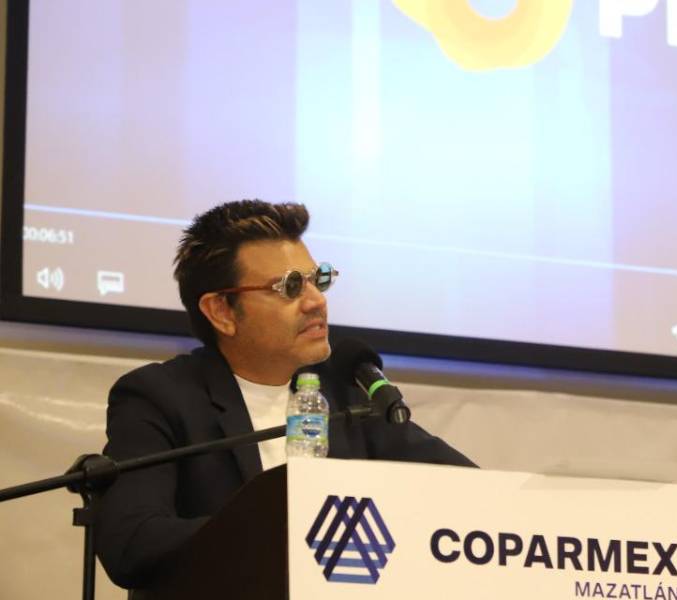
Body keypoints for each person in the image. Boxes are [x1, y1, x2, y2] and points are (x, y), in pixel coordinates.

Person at [95, 200, 475, 589]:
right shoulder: (160, 397)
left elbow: (471, 492)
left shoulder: (348, 395)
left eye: (318, 280)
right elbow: (132, 542)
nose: (316, 301)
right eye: (291, 286)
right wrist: (285, 528)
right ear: (222, 311)